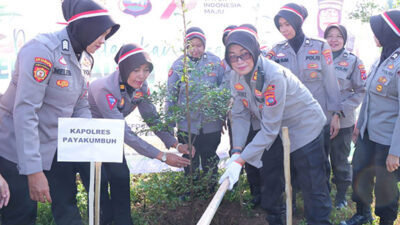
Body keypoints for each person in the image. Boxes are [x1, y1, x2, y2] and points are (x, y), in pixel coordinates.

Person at [0, 0, 119, 224]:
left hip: (55, 145)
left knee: (66, 205)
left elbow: (80, 104)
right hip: (18, 147)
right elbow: (25, 112)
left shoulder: (85, 58)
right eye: (100, 34)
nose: (104, 41)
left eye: (107, 35)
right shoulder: (42, 51)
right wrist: (33, 172)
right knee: (22, 213)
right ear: (85, 28)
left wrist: (87, 136)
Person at [219, 26, 332, 224]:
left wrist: (240, 161)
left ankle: (319, 221)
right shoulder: (235, 75)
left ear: (254, 51)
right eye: (233, 56)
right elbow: (240, 115)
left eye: (244, 54)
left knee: (312, 183)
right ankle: (276, 217)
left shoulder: (273, 76)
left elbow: (269, 130)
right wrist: (237, 151)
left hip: (304, 127)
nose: (239, 61)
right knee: (270, 173)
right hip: (277, 127)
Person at [87, 43, 193, 225]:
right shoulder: (103, 88)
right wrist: (162, 156)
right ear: (124, 68)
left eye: (146, 70)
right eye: (136, 70)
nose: (142, 76)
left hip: (110, 137)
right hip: (89, 137)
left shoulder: (141, 88)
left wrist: (175, 144)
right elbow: (124, 132)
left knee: (120, 177)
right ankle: (103, 221)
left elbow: (152, 117)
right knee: (99, 183)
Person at [268, 2, 343, 196]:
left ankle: (322, 199)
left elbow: (330, 82)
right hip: (290, 119)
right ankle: (297, 200)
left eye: (287, 24)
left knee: (320, 162)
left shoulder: (320, 46)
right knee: (292, 162)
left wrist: (335, 114)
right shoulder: (276, 51)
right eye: (280, 25)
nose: (284, 29)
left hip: (318, 119)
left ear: (297, 22)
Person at [340, 10, 400, 225]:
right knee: (359, 172)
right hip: (367, 133)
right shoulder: (381, 59)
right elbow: (368, 97)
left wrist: (396, 152)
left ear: (390, 32)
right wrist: (359, 125)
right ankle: (362, 213)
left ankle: (386, 221)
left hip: (388, 140)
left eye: (378, 31)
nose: (374, 35)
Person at [166, 27, 225, 194]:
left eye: (199, 45)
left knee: (209, 156)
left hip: (210, 124)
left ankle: (210, 190)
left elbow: (224, 89)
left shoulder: (215, 62)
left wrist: (222, 117)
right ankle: (191, 191)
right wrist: (169, 124)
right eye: (191, 45)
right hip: (187, 124)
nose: (196, 49)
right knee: (189, 158)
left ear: (204, 45)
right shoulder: (178, 65)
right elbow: (171, 96)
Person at [323, 24, 367, 209]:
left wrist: (339, 113)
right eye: (330, 36)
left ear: (344, 39)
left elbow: (360, 91)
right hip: (318, 120)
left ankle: (341, 194)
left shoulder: (354, 61)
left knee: (340, 159)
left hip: (343, 121)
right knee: (319, 159)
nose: (334, 39)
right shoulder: (317, 58)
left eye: (338, 36)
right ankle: (323, 193)